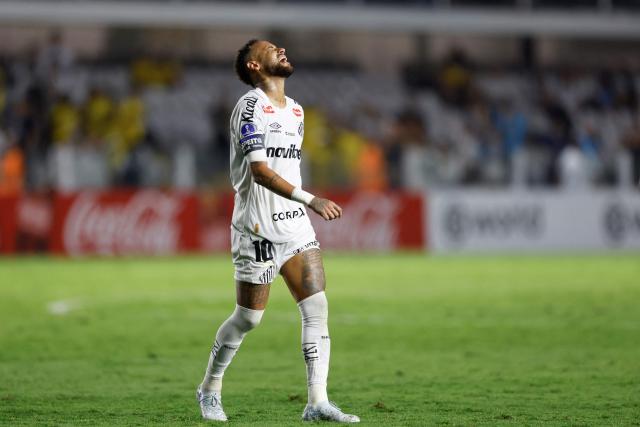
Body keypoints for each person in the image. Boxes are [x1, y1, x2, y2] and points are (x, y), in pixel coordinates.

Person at [196, 39, 360, 423]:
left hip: (295, 226)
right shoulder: (249, 106)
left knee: (316, 306)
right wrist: (311, 199)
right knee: (249, 318)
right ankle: (209, 389)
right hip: (257, 228)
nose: (282, 50)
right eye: (272, 49)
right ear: (254, 65)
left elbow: (286, 168)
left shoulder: (298, 111)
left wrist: (301, 206)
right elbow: (260, 172)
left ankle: (317, 402)